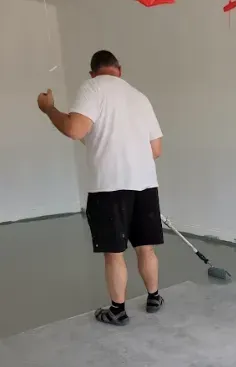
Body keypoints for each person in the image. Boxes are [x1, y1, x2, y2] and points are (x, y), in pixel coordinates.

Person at [37, 50, 164, 326]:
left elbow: (74, 129)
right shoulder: (139, 97)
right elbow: (156, 149)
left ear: (93, 72)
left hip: (109, 188)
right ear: (119, 69)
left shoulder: (93, 87)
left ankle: (118, 310)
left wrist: (49, 109)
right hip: (145, 185)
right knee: (146, 248)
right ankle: (154, 297)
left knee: (114, 253)